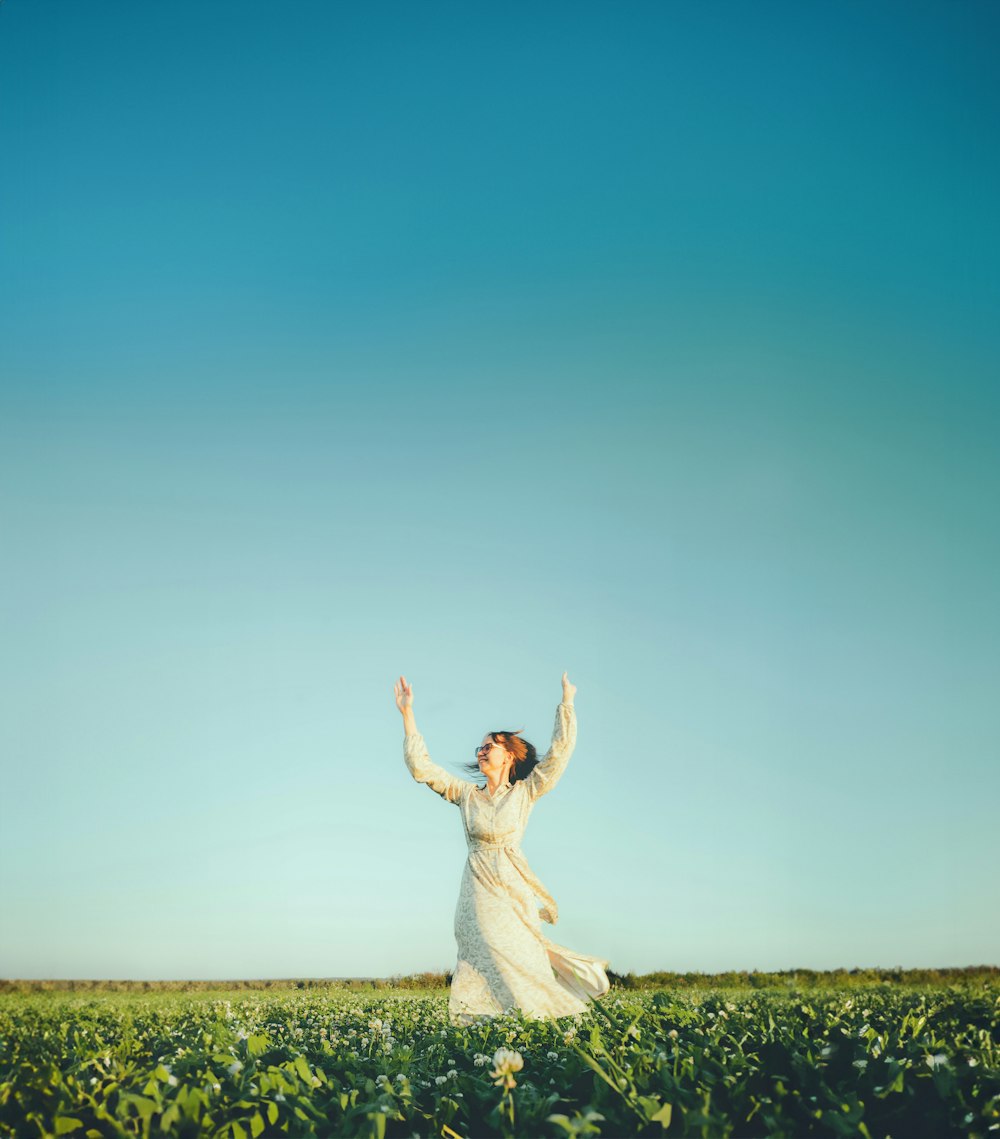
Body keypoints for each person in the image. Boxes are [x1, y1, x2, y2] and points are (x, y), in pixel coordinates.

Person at [394, 671, 611, 1026]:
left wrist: (567, 703)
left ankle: (538, 1023)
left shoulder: (526, 792)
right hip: (477, 889)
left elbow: (559, 755)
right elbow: (422, 768)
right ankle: (481, 1026)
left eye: (489, 746)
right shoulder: (466, 795)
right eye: (479, 747)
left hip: (513, 885)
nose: (481, 751)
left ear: (509, 756)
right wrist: (407, 714)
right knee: (481, 954)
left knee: (523, 955)